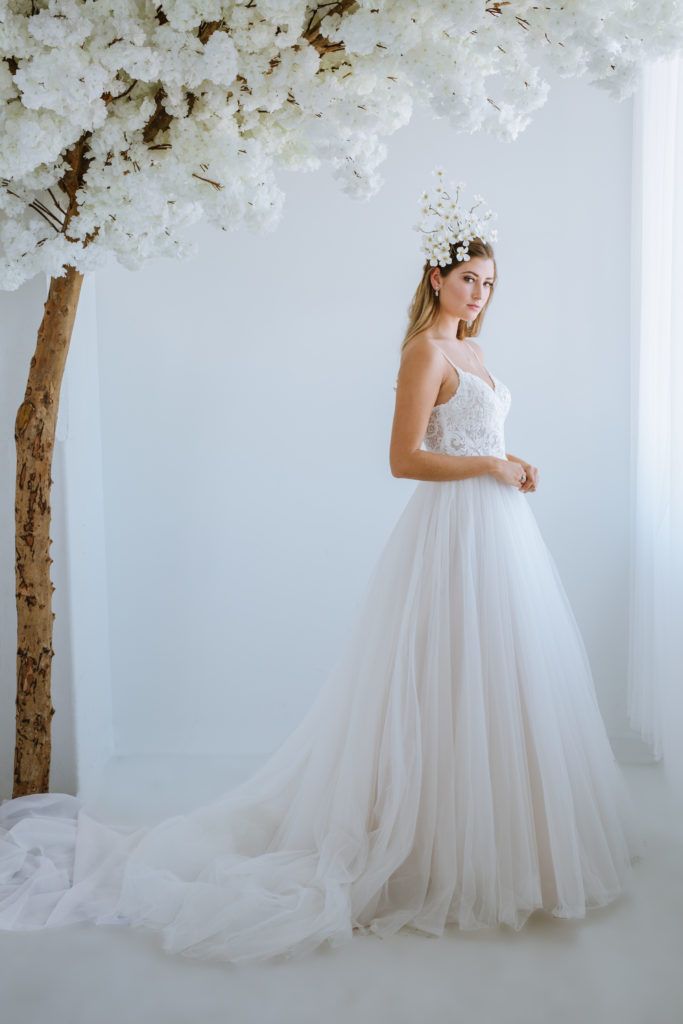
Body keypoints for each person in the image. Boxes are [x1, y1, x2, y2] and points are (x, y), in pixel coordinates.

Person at [0, 169, 644, 965]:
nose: (477, 294)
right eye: (467, 279)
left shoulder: (472, 348)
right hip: (452, 534)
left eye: (487, 283)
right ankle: (427, 849)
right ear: (435, 277)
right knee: (440, 677)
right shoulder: (422, 350)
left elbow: (465, 439)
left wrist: (504, 459)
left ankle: (492, 840)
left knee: (497, 679)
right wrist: (487, 469)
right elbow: (404, 459)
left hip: (497, 534)